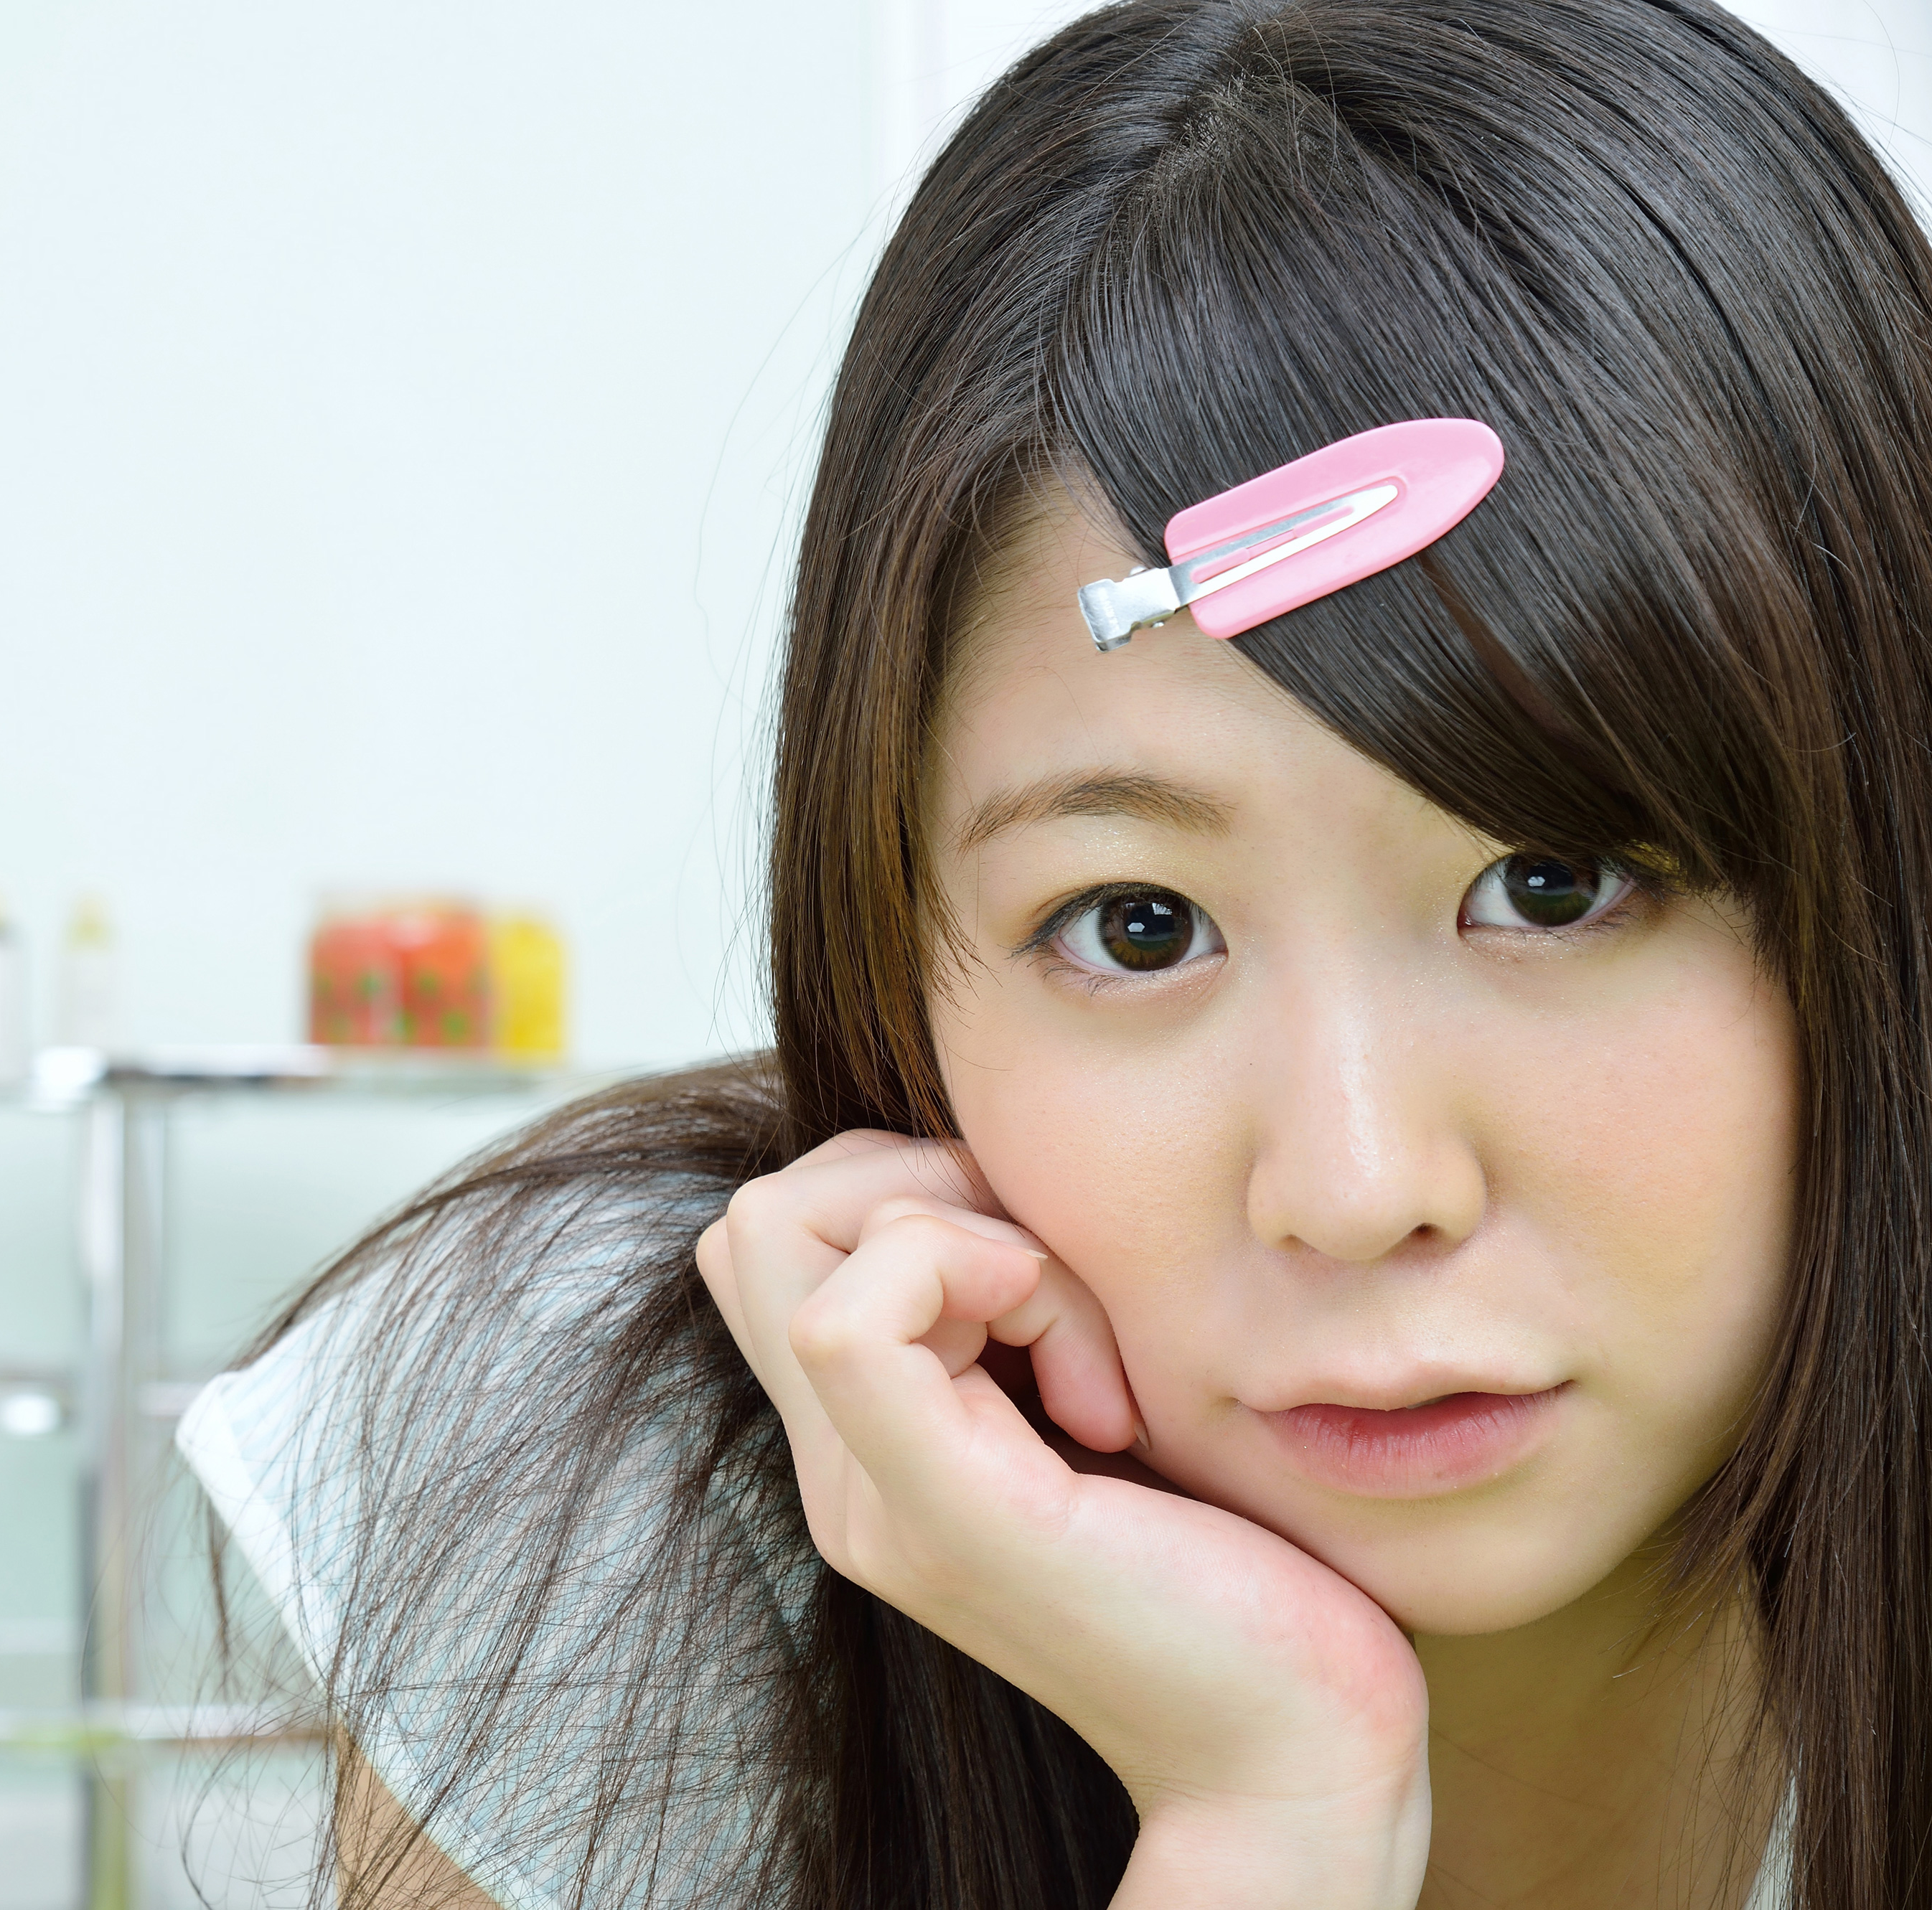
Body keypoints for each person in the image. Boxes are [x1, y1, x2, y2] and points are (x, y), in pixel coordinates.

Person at [175, 0, 1932, 1902]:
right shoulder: (625, 1479)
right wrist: (1269, 1815)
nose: (1358, 1188)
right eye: (1138, 927)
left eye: (1555, 886)